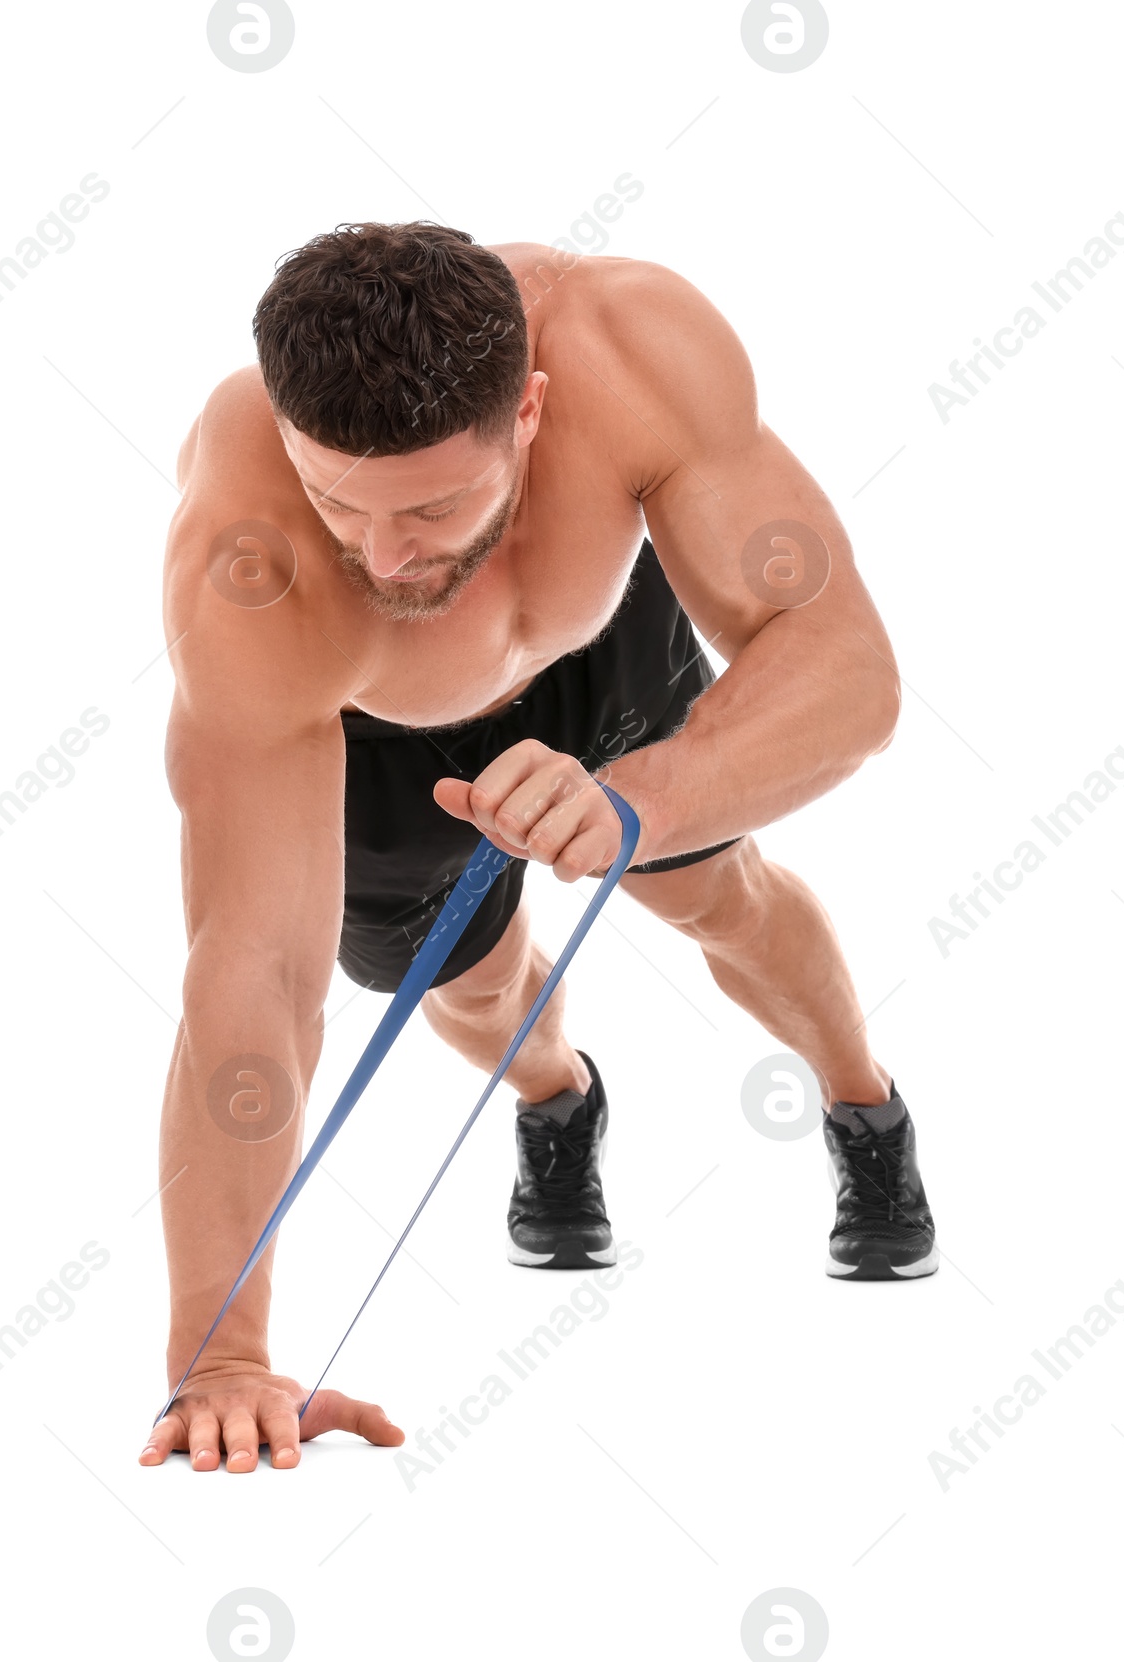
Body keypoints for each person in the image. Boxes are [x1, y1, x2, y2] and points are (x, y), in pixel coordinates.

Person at [139, 222, 937, 1476]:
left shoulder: (631, 347)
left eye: (433, 504)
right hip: (377, 743)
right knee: (478, 989)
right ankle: (560, 1103)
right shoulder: (255, 561)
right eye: (337, 498)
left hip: (598, 665)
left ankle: (864, 1105)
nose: (386, 555)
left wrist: (646, 799)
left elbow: (850, 673)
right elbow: (252, 976)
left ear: (530, 410)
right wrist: (220, 1356)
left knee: (719, 893)